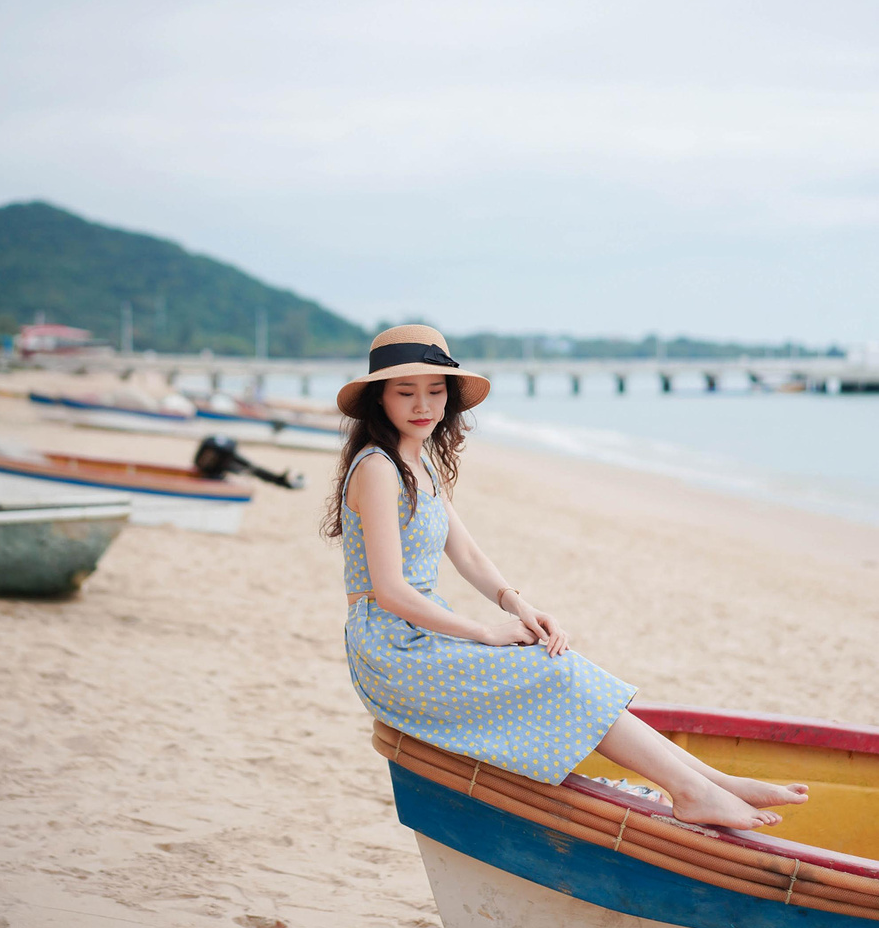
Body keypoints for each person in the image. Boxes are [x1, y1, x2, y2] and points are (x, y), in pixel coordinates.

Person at [326, 324, 808, 830]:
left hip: (425, 631)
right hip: (390, 649)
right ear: (380, 399)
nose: (423, 404)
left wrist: (517, 606)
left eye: (435, 390)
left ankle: (713, 784)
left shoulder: (419, 461)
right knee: (552, 670)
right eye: (406, 392)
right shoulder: (377, 468)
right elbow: (390, 591)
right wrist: (487, 632)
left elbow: (465, 551)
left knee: (558, 660)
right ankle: (693, 790)